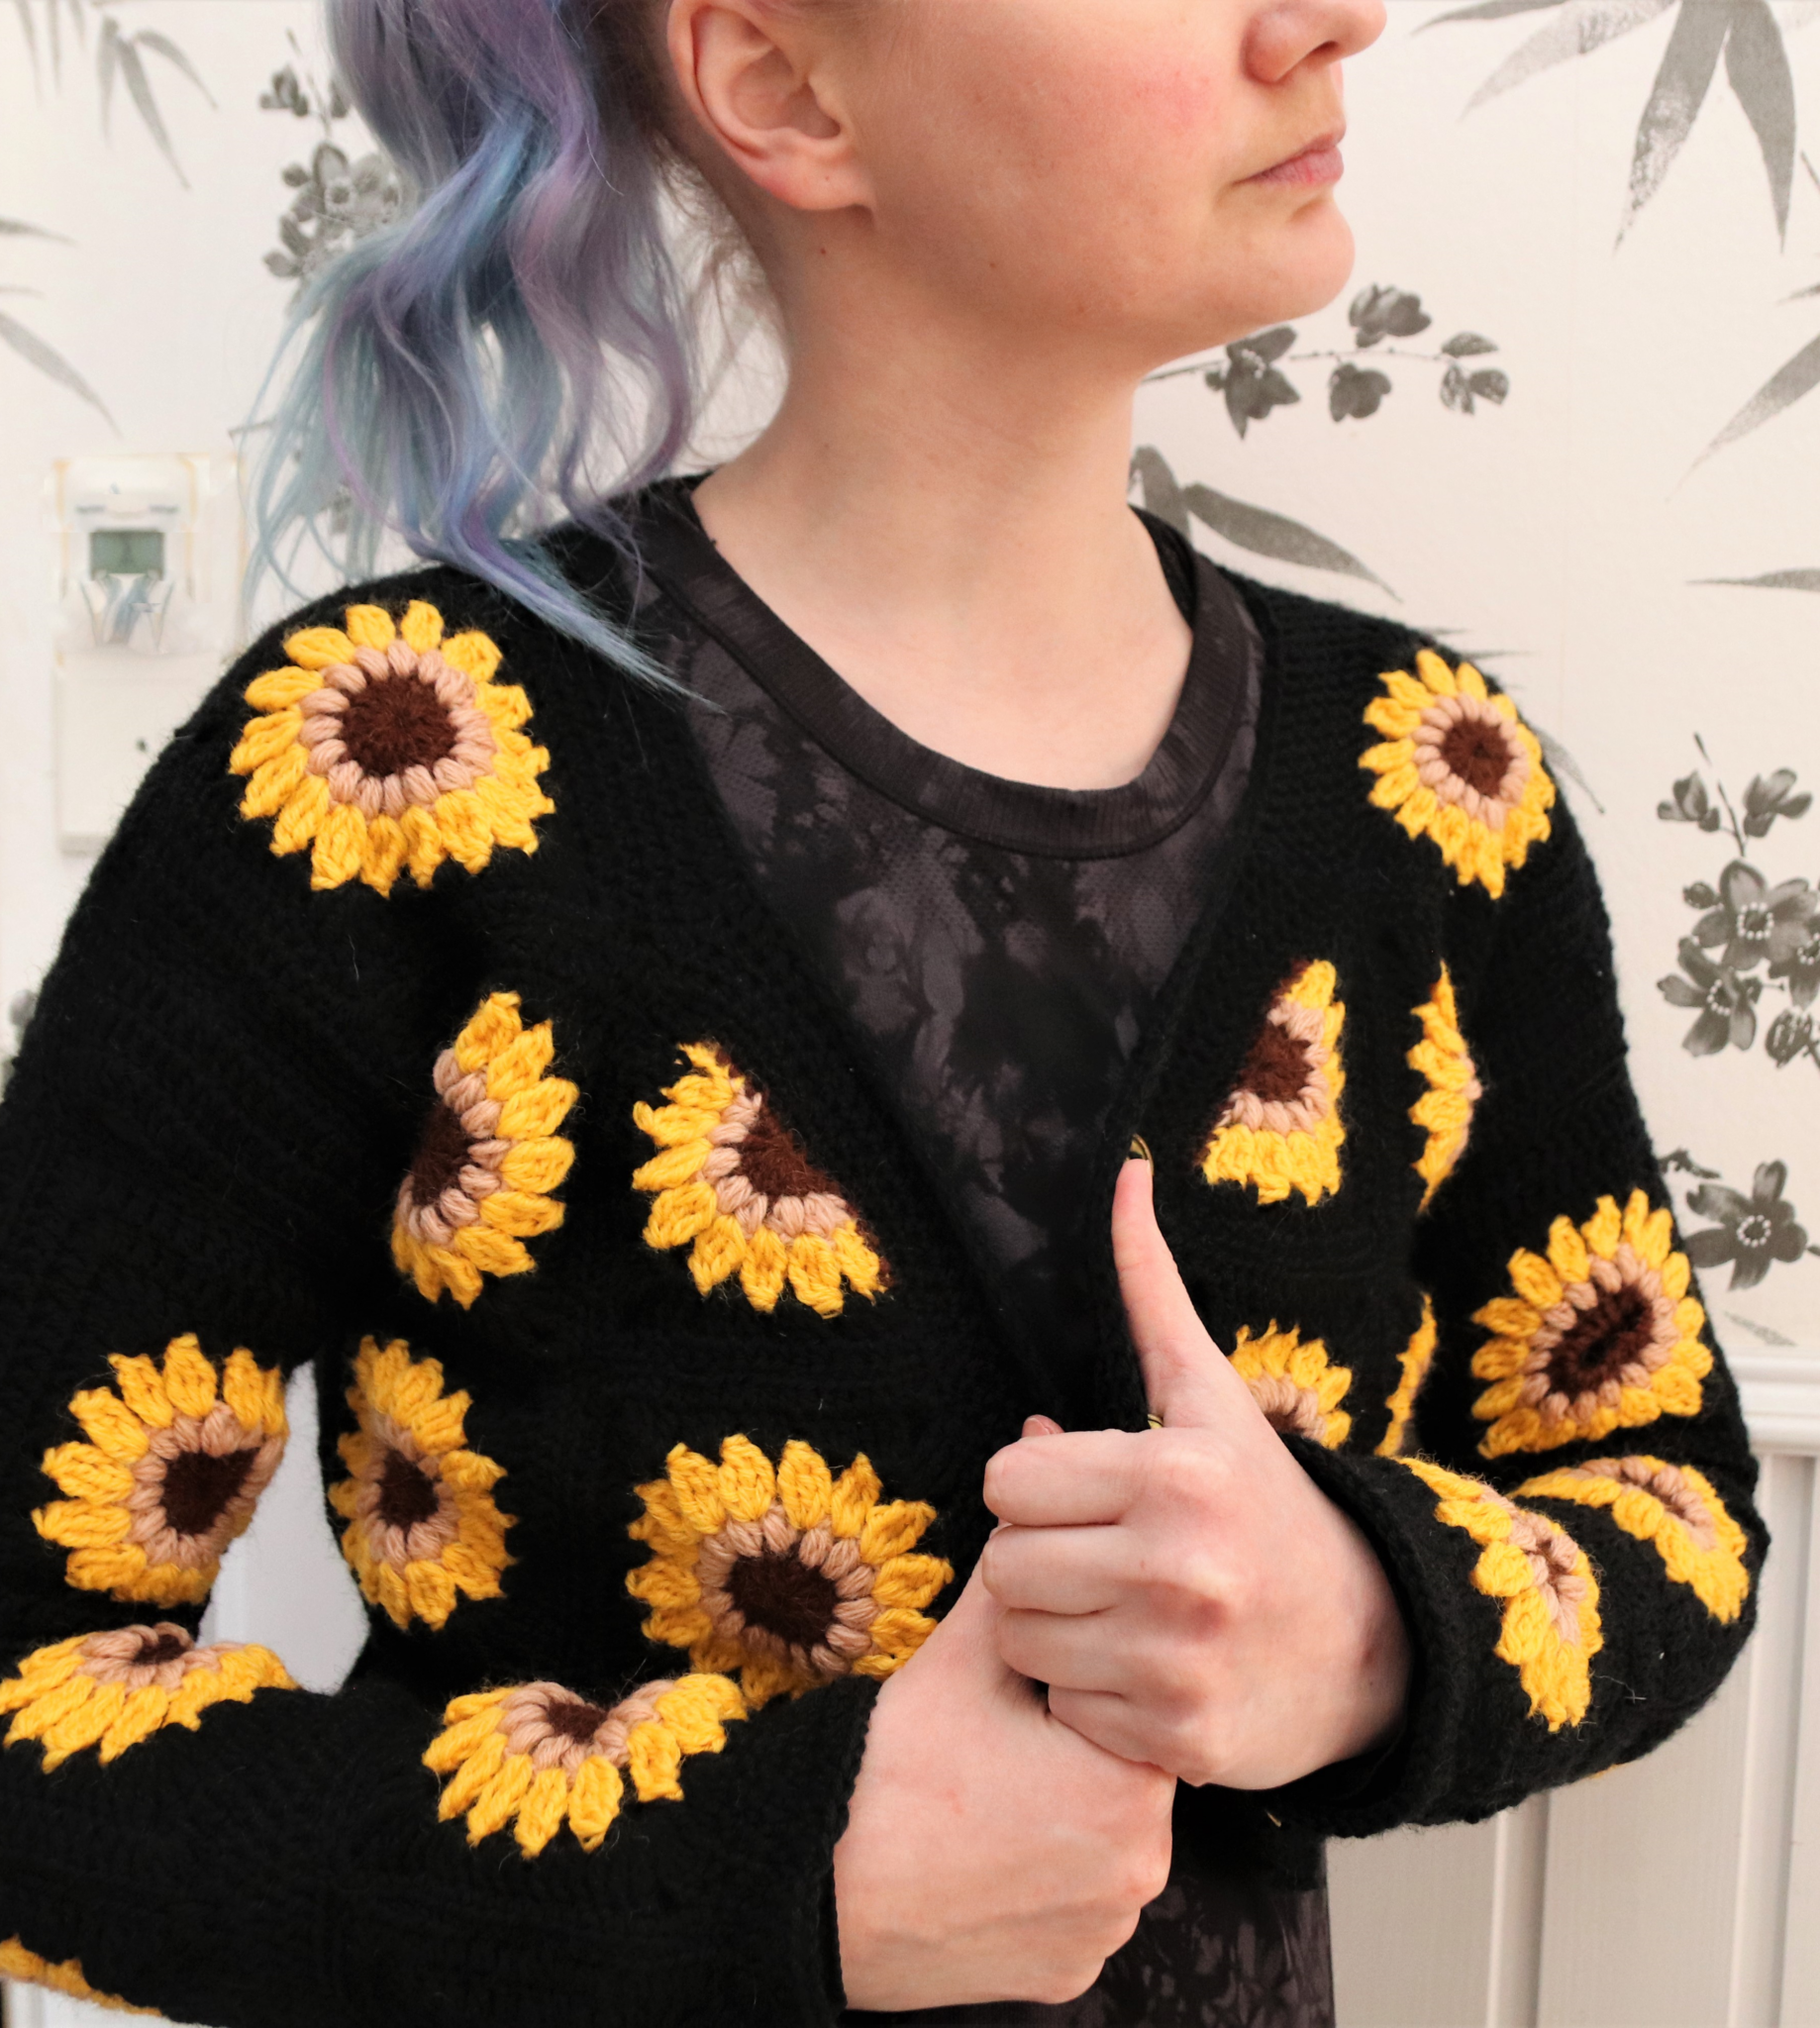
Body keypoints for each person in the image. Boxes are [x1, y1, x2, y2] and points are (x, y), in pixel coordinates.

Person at [0, 2, 1766, 2023]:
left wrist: (1374, 1627)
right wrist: (767, 1872)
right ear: (783, 85)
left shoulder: (1428, 790)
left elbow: (1667, 1503)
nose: (1327, 17)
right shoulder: (384, 773)